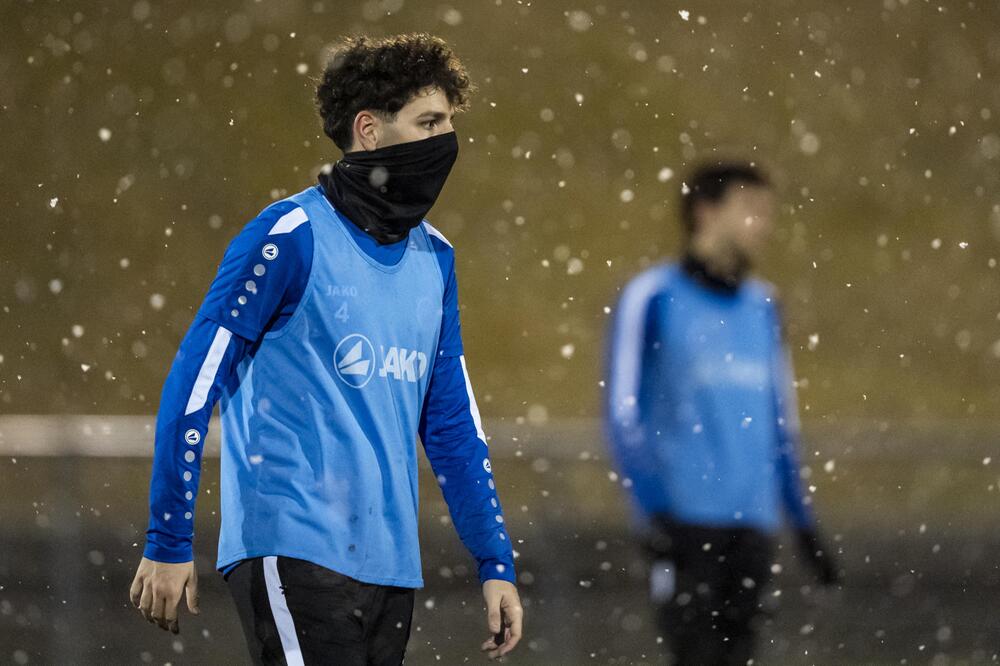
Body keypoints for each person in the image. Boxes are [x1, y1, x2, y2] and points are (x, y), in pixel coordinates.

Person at [128, 33, 523, 665]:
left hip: (390, 562)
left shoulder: (436, 259)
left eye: (449, 123)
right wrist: (169, 537)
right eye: (430, 122)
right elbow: (195, 384)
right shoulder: (288, 236)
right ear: (369, 129)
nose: (447, 140)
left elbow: (449, 423)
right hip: (293, 545)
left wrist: (494, 561)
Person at [605, 163, 839, 665]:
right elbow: (622, 413)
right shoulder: (654, 296)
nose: (764, 225)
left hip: (752, 527)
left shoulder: (764, 306)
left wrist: (803, 524)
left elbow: (780, 423)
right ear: (706, 212)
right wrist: (656, 512)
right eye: (751, 210)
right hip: (686, 525)